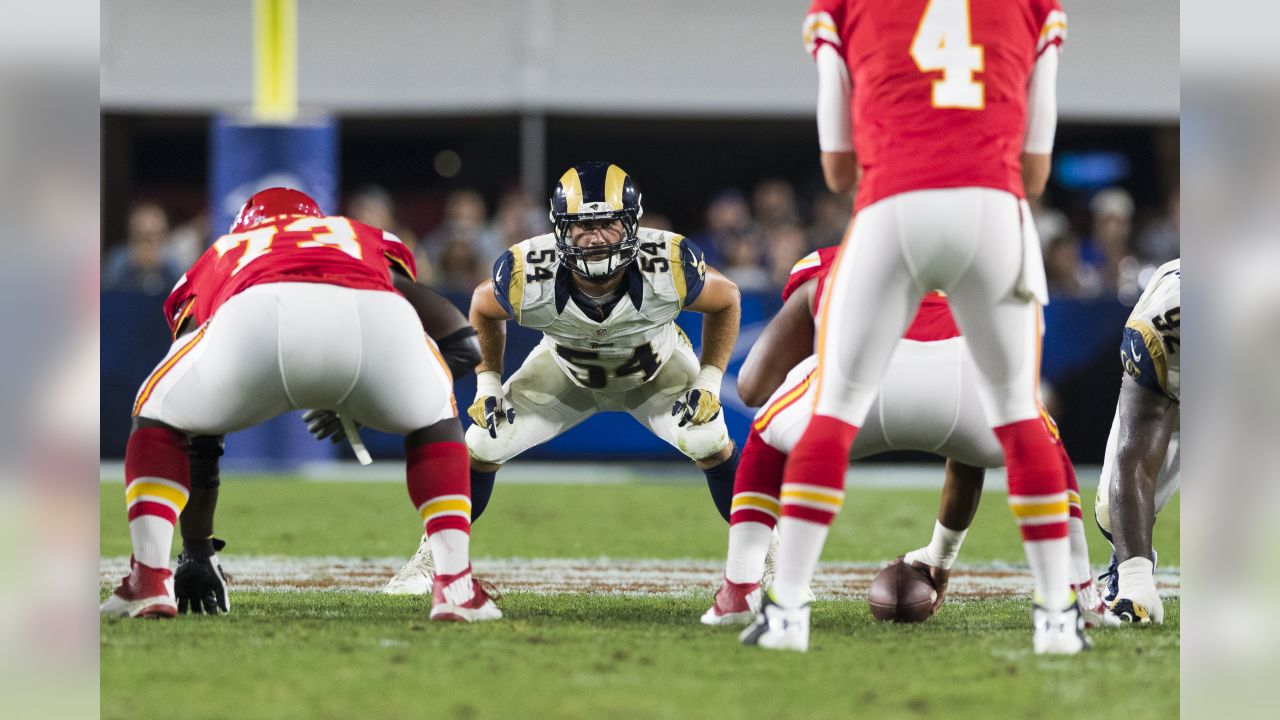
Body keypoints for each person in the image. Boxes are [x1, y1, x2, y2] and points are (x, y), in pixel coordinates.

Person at [745, 0, 1079, 653]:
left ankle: (786, 614)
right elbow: (1036, 171)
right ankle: (1058, 622)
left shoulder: (841, 6)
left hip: (893, 204)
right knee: (1017, 415)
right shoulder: (1036, 6)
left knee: (835, 410)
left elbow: (839, 168)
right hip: (994, 209)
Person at [100, 188, 499, 623]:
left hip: (254, 310)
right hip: (374, 314)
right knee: (436, 412)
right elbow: (462, 342)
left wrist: (196, 547)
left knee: (158, 410)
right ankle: (455, 583)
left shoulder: (226, 249)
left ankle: (149, 579)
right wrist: (369, 396)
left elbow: (197, 432)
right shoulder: (354, 234)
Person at [370, 162, 743, 594]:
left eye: (608, 223)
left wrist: (710, 380)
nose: (596, 236)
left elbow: (727, 299)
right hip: (565, 372)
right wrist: (488, 383)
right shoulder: (529, 268)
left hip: (655, 373)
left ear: (632, 226)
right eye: (582, 225)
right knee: (482, 444)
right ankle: (431, 560)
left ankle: (764, 561)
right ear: (560, 229)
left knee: (708, 441)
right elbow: (482, 307)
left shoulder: (670, 262)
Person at [704, 248, 1113, 629]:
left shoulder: (835, 259)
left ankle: (740, 589)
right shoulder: (966, 265)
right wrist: (940, 557)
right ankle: (1080, 592)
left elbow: (752, 387)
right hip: (966, 378)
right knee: (1047, 448)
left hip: (863, 382)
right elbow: (966, 458)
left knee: (766, 432)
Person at [1093, 259, 1180, 624]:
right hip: (1176, 362)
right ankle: (1130, 576)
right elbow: (1136, 461)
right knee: (1113, 516)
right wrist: (1136, 584)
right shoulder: (1163, 330)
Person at [102, 202, 183, 293]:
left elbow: (184, 293)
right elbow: (107, 293)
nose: (147, 246)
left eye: (154, 237)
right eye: (142, 238)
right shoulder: (118, 261)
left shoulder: (175, 261)